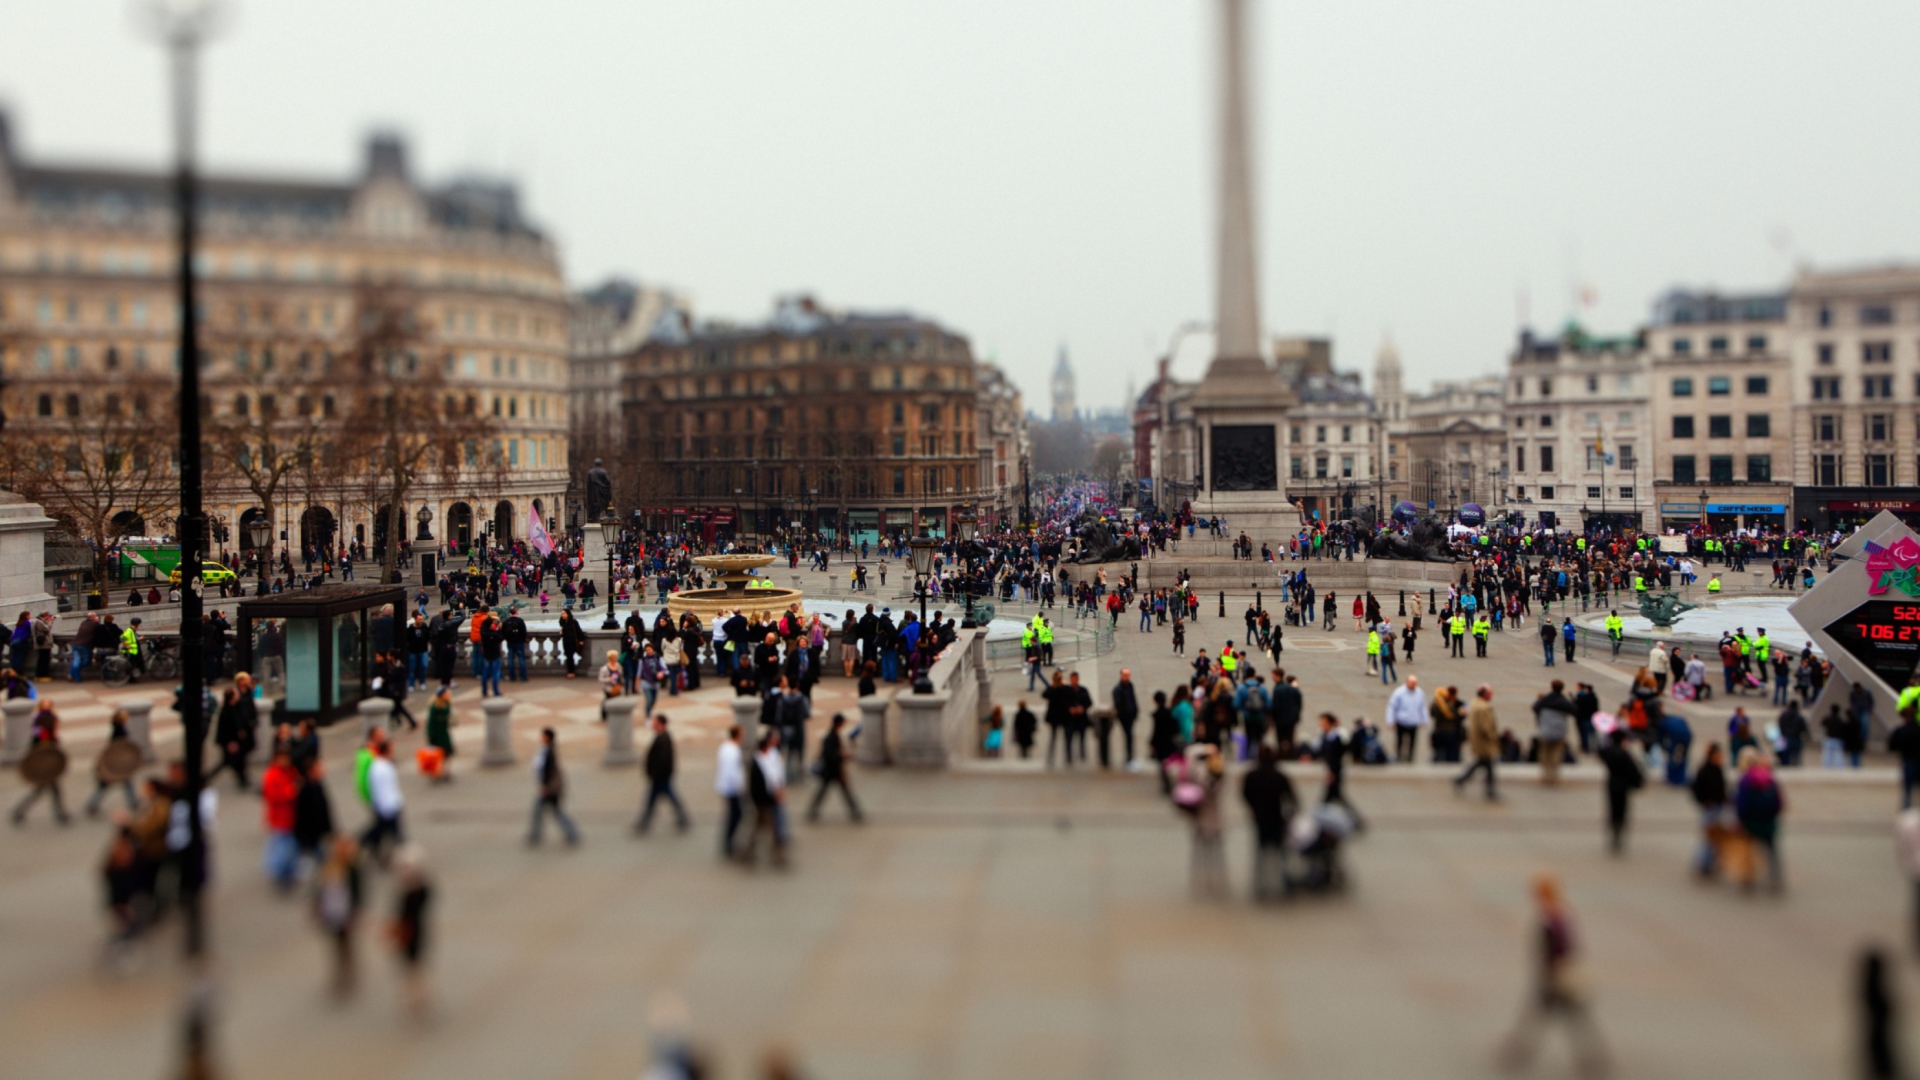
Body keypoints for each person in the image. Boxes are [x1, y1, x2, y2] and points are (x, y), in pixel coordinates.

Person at [1497, 873, 1610, 1076]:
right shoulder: (1560, 913)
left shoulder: (1552, 920)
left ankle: (1519, 1052)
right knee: (1573, 1019)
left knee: (1550, 1017)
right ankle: (1592, 1059)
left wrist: (1550, 974)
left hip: (1556, 979)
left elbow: (1557, 950)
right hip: (1558, 978)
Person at [1242, 744, 1297, 902]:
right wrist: (1289, 815)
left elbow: (1245, 795)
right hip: (1277, 819)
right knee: (1281, 855)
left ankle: (1261, 887)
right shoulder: (1280, 776)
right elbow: (1292, 799)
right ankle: (1285, 885)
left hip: (1260, 820)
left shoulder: (1251, 775)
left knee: (1261, 854)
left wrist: (1254, 808)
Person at [312, 834, 365, 999]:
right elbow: (321, 889)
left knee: (346, 944)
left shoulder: (353, 870)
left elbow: (358, 895)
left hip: (344, 913)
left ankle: (348, 974)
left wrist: (354, 913)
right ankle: (341, 974)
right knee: (336, 945)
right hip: (331, 913)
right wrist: (317, 907)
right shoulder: (329, 865)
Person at [388, 843, 433, 1017]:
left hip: (414, 933)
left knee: (415, 966)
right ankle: (415, 995)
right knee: (409, 966)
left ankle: (420, 995)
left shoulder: (419, 890)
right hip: (406, 932)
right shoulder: (407, 889)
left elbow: (414, 912)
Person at [1734, 746, 1784, 892]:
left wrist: (1741, 819)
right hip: (1768, 822)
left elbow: (1742, 803)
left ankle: (1748, 878)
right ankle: (1775, 879)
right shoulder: (1769, 778)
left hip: (1750, 822)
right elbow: (1779, 802)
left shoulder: (1746, 779)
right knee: (1771, 851)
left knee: (1747, 850)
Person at [740, 730, 788, 868]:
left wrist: (778, 791)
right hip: (763, 802)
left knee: (757, 828)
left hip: (767, 800)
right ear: (764, 748)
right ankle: (778, 857)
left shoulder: (766, 759)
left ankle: (747, 852)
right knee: (773, 830)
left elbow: (773, 778)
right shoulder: (757, 763)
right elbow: (756, 786)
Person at [636, 716, 690, 833]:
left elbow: (662, 760)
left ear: (660, 724)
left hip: (660, 776)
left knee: (658, 798)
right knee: (659, 798)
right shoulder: (662, 736)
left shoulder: (663, 739)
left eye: (654, 722)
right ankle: (682, 818)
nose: (652, 724)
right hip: (660, 776)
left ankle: (644, 823)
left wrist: (654, 773)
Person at [527, 727, 580, 847]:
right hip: (553, 788)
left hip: (551, 789)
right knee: (544, 811)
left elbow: (547, 771)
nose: (540, 738)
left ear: (547, 738)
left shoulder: (548, 752)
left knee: (554, 812)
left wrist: (544, 786)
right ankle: (536, 834)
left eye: (543, 736)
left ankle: (571, 834)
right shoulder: (548, 750)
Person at [260, 749, 303, 892]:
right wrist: (290, 791)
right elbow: (272, 795)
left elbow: (299, 784)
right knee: (281, 847)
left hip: (292, 816)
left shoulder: (291, 771)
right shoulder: (272, 774)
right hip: (280, 818)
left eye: (287, 758)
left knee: (288, 846)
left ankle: (288, 871)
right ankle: (279, 873)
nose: (285, 761)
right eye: (282, 758)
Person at [808, 713, 863, 822]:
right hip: (831, 770)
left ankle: (855, 812)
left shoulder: (833, 735)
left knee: (836, 791)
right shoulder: (830, 737)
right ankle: (855, 812)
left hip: (833, 770)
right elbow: (829, 755)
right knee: (836, 791)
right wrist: (842, 757)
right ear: (839, 723)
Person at [1316, 713, 1366, 830]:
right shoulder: (1326, 736)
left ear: (1330, 723)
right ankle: (1356, 821)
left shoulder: (1337, 737)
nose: (1321, 725)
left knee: (1331, 799)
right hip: (1332, 772)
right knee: (1337, 798)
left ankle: (1319, 822)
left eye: (1323, 723)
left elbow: (1348, 749)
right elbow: (1321, 753)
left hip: (1336, 772)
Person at [360, 735, 405, 863]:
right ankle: (404, 852)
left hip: (388, 805)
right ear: (387, 750)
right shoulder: (380, 767)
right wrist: (391, 805)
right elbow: (382, 790)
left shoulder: (383, 765)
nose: (394, 750)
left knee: (379, 830)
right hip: (387, 807)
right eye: (392, 748)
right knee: (393, 833)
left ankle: (370, 847)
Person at [1599, 729, 1644, 854]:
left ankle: (1613, 832)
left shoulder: (1608, 752)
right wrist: (1638, 782)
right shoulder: (1624, 754)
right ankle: (1618, 834)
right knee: (1622, 810)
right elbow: (1633, 770)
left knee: (1613, 809)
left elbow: (1600, 751)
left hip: (1612, 784)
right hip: (1623, 785)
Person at [1690, 743, 1729, 878]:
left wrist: (1724, 799)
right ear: (1712, 756)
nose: (1721, 758)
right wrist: (1705, 801)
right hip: (1709, 808)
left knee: (1714, 838)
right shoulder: (1705, 770)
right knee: (1709, 838)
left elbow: (1721, 788)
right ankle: (1704, 864)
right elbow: (1696, 789)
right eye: (1719, 756)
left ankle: (1709, 863)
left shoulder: (1717, 769)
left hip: (1717, 807)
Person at [1455, 685, 1500, 801]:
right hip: (1483, 741)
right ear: (1485, 695)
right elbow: (1486, 727)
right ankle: (1490, 791)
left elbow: (1462, 713)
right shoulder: (1483, 707)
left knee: (1482, 762)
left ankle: (1461, 779)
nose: (1491, 696)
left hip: (1476, 739)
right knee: (1486, 763)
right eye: (1490, 693)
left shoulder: (1473, 703)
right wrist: (1493, 737)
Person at [1531, 680, 1575, 786]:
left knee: (1545, 754)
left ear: (1551, 687)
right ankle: (1554, 776)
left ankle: (1545, 776)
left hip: (1545, 730)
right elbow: (1574, 710)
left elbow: (1535, 707)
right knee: (1556, 754)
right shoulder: (1563, 701)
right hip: (1559, 731)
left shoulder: (1546, 699)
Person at [715, 724, 746, 859]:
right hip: (732, 788)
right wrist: (739, 787)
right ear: (738, 735)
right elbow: (732, 772)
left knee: (735, 814)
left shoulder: (726, 747)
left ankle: (729, 841)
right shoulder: (733, 751)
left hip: (727, 786)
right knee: (736, 815)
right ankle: (728, 843)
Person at [1386, 675, 1426, 765]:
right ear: (1407, 682)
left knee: (1412, 742)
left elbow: (1422, 707)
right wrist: (1390, 721)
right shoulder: (1399, 692)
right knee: (1400, 741)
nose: (1413, 685)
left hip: (1413, 722)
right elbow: (1392, 707)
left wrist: (1424, 720)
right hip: (1401, 721)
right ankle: (1399, 755)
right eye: (1412, 683)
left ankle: (1410, 758)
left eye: (1415, 683)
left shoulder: (1419, 693)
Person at [1111, 668, 1140, 768]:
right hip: (1124, 717)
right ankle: (1129, 758)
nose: (1127, 677)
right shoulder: (1117, 689)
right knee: (1129, 736)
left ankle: (1130, 757)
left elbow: (1133, 698)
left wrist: (1136, 710)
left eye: (1128, 675)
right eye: (1125, 675)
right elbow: (1118, 704)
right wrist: (1125, 713)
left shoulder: (1130, 685)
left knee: (1130, 736)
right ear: (1121, 676)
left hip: (1131, 715)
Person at [425, 687, 455, 780]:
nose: (448, 695)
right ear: (441, 695)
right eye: (446, 694)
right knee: (437, 753)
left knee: (447, 752)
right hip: (437, 732)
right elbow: (430, 722)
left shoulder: (447, 704)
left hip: (444, 731)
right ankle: (436, 771)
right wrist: (430, 735)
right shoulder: (435, 706)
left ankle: (445, 771)